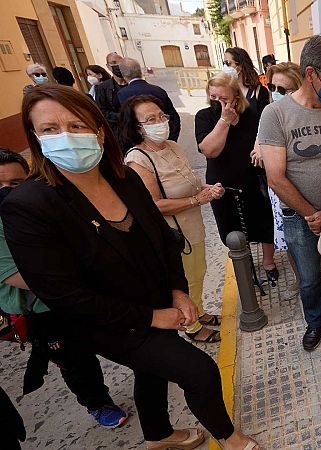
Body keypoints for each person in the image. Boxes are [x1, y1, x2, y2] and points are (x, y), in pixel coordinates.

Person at [0, 85, 259, 450]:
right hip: (105, 321)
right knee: (198, 370)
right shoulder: (29, 205)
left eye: (76, 126)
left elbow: (164, 240)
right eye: (50, 129)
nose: (66, 137)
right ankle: (229, 438)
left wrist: (177, 291)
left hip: (157, 300)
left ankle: (157, 434)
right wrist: (154, 317)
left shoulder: (124, 178)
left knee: (151, 369)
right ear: (35, 138)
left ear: (99, 131)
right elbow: (65, 295)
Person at [0, 148, 129, 428]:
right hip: (44, 310)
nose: (6, 192)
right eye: (0, 186)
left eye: (15, 183)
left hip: (82, 293)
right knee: (75, 361)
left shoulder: (43, 208)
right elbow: (20, 277)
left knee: (118, 334)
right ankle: (97, 402)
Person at [258, 35, 321, 351]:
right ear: (311, 74)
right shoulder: (276, 115)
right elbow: (275, 177)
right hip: (299, 218)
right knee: (310, 278)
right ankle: (316, 321)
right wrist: (312, 215)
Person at [118, 95, 225, 343]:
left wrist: (208, 189)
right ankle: (192, 326)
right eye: (150, 119)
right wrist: (197, 200)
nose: (159, 122)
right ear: (137, 127)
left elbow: (190, 181)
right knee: (185, 280)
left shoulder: (172, 147)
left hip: (192, 226)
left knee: (199, 272)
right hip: (173, 234)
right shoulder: (138, 159)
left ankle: (198, 310)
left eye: (161, 116)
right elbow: (153, 205)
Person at [196, 73, 277, 278]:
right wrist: (224, 121)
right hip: (222, 185)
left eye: (223, 99)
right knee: (231, 229)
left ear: (236, 97)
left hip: (253, 180)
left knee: (264, 223)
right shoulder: (204, 117)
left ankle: (268, 262)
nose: (218, 102)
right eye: (213, 97)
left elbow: (263, 138)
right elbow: (210, 150)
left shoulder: (251, 115)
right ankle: (244, 264)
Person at [251, 62, 303, 298]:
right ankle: (299, 280)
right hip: (280, 188)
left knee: (313, 240)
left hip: (306, 186)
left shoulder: (306, 114)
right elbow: (259, 140)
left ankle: (314, 283)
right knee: (290, 240)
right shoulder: (270, 113)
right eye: (272, 87)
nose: (276, 93)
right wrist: (259, 149)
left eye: (284, 89)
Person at [117, 58, 181, 143]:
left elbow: (126, 122)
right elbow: (174, 117)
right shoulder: (158, 90)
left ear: (123, 75)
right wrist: (171, 139)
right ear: (140, 72)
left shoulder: (123, 94)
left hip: (142, 142)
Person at [224, 47, 269, 117]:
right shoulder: (225, 90)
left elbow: (264, 119)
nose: (225, 67)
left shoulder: (259, 91)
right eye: (224, 63)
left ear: (241, 65)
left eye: (228, 63)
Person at [94, 52, 127, 133]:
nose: (118, 65)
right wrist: (122, 116)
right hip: (117, 130)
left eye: (120, 62)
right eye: (114, 63)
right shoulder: (103, 88)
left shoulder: (132, 84)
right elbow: (102, 111)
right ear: (108, 66)